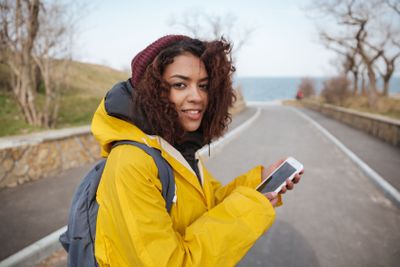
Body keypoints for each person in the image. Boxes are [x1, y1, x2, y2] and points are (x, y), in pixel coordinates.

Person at [91, 35, 302, 267]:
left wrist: (258, 183)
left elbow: (211, 206)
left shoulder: (177, 148)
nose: (197, 97)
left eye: (203, 85)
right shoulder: (131, 163)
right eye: (180, 84)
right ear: (152, 90)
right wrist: (252, 208)